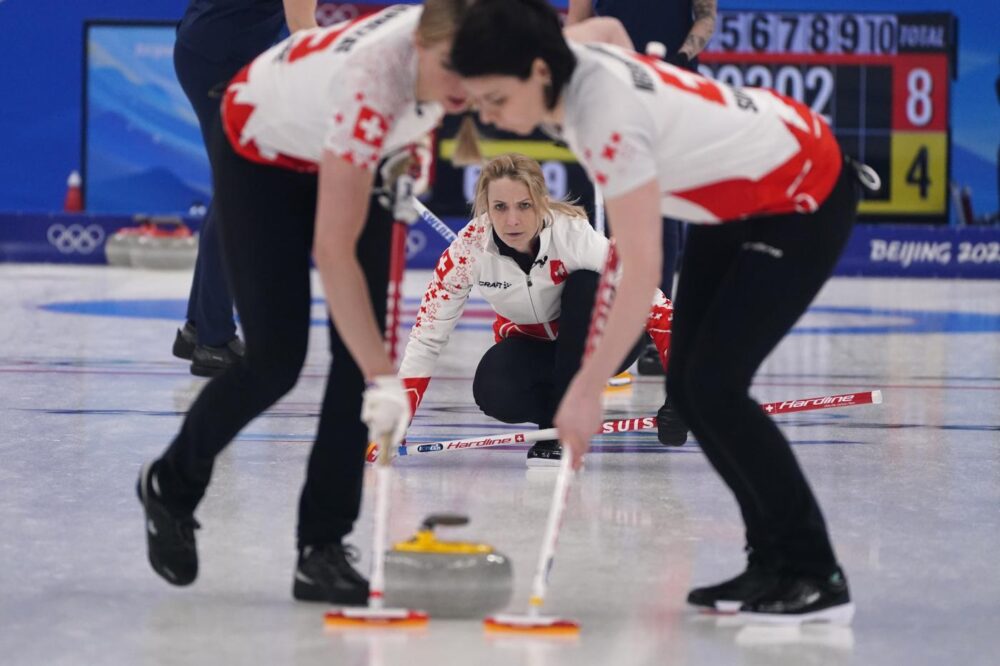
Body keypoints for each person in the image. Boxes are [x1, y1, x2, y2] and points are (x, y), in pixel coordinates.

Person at [450, 0, 865, 623]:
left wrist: (587, 389)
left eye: (494, 98)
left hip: (802, 188)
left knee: (715, 388)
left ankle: (816, 573)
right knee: (693, 392)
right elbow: (611, 29)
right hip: (732, 194)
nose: (487, 115)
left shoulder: (605, 123)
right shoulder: (575, 50)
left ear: (539, 73)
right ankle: (771, 560)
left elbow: (637, 270)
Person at [136, 1, 472, 604]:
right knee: (276, 359)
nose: (464, 98)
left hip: (344, 141)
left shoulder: (441, 58)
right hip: (260, 151)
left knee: (357, 351)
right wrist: (383, 377)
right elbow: (332, 251)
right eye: (458, 80)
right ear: (426, 50)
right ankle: (170, 483)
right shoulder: (373, 80)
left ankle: (321, 547)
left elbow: (421, 108)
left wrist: (407, 155)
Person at [397, 153, 675, 467]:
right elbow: (426, 338)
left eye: (524, 205)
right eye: (500, 207)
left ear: (542, 202)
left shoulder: (573, 235)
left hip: (604, 341)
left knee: (585, 283)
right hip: (535, 348)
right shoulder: (467, 251)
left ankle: (561, 429)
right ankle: (558, 416)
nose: (512, 220)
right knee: (493, 390)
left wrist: (682, 395)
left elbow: (654, 303)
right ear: (486, 208)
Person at [171, 0, 320, 376]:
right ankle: (213, 341)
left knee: (232, 189)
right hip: (220, 58)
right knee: (240, 193)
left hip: (212, 48)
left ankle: (199, 327)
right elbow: (301, 24)